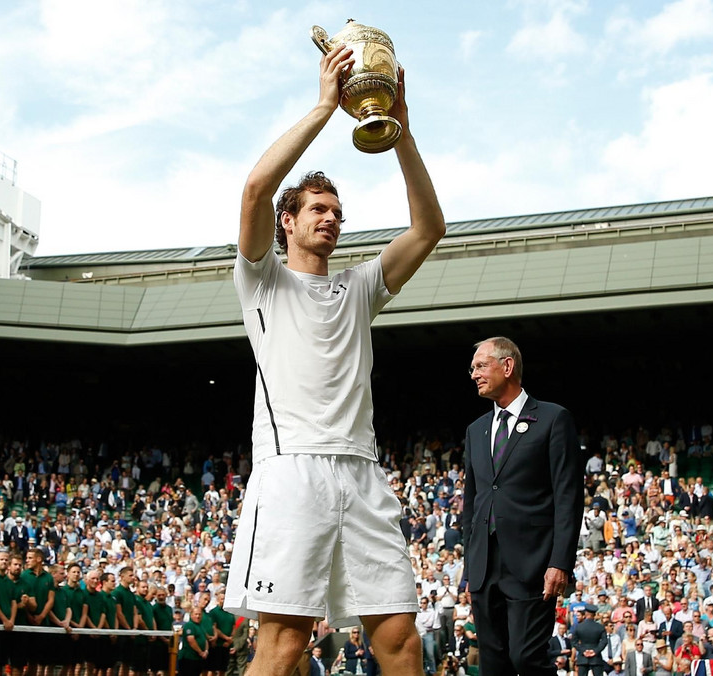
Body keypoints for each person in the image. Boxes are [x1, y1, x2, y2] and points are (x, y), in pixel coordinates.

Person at [224, 35, 445, 676]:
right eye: (317, 209)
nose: (331, 218)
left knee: (400, 638)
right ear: (287, 221)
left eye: (338, 212)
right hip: (292, 472)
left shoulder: (359, 286)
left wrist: (399, 131)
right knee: (284, 643)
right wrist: (326, 106)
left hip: (363, 473)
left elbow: (430, 228)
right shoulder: (262, 278)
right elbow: (255, 188)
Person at [462, 337, 583, 676]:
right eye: (472, 368)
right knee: (493, 664)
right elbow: (472, 502)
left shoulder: (552, 419)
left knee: (527, 657)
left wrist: (560, 562)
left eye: (481, 366)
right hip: (485, 568)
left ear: (507, 366)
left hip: (532, 564)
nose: (474, 374)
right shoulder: (476, 430)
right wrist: (470, 569)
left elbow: (567, 497)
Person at [572, 607, 609, 676]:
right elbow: (604, 641)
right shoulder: (600, 627)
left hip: (583, 656)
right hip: (596, 657)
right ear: (594, 615)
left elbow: (574, 641)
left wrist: (583, 650)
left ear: (586, 614)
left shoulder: (578, 627)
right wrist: (595, 651)